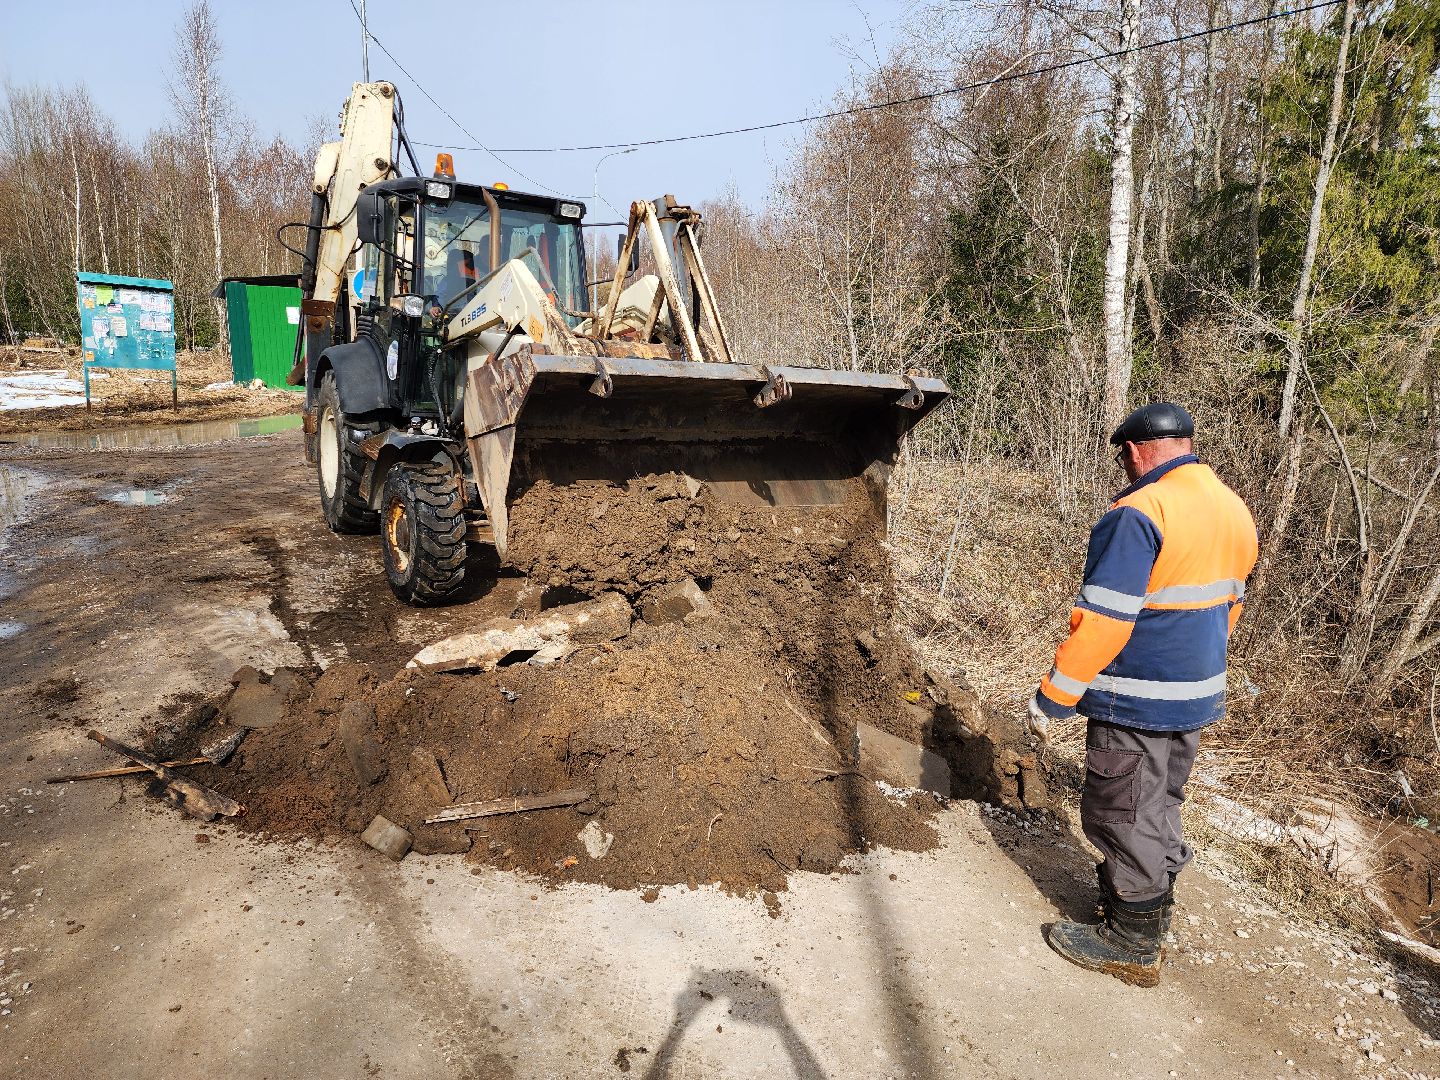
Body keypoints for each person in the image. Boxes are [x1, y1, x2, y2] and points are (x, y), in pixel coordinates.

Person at [1027, 402, 1258, 987]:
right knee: (1160, 801)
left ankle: (1132, 940)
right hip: (1196, 694)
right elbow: (1229, 605)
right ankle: (1145, 902)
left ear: (1133, 450)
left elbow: (1104, 619)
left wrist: (1054, 697)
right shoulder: (1231, 508)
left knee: (1121, 808)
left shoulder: (1140, 513)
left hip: (1137, 697)